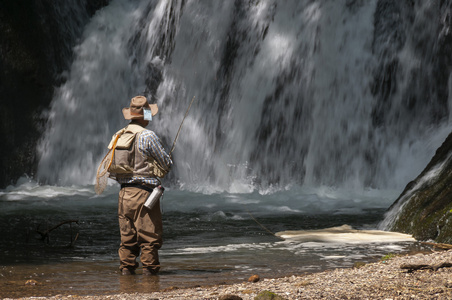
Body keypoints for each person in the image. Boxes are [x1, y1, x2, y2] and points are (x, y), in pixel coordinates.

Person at [107, 95, 173, 276]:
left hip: (123, 195)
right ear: (145, 116)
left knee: (127, 238)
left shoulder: (119, 135)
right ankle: (150, 281)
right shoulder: (148, 136)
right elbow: (166, 164)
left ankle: (126, 279)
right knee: (149, 238)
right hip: (144, 194)